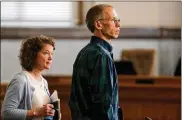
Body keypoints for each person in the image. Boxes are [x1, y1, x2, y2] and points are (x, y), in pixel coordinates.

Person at [69, 4, 121, 120]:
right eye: (113, 20)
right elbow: (104, 106)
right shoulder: (101, 55)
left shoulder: (84, 51)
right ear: (98, 24)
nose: (118, 24)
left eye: (118, 20)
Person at [1, 35, 56, 120]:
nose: (50, 57)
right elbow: (6, 113)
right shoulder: (20, 80)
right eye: (46, 53)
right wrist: (36, 112)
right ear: (33, 55)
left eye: (51, 53)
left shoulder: (44, 82)